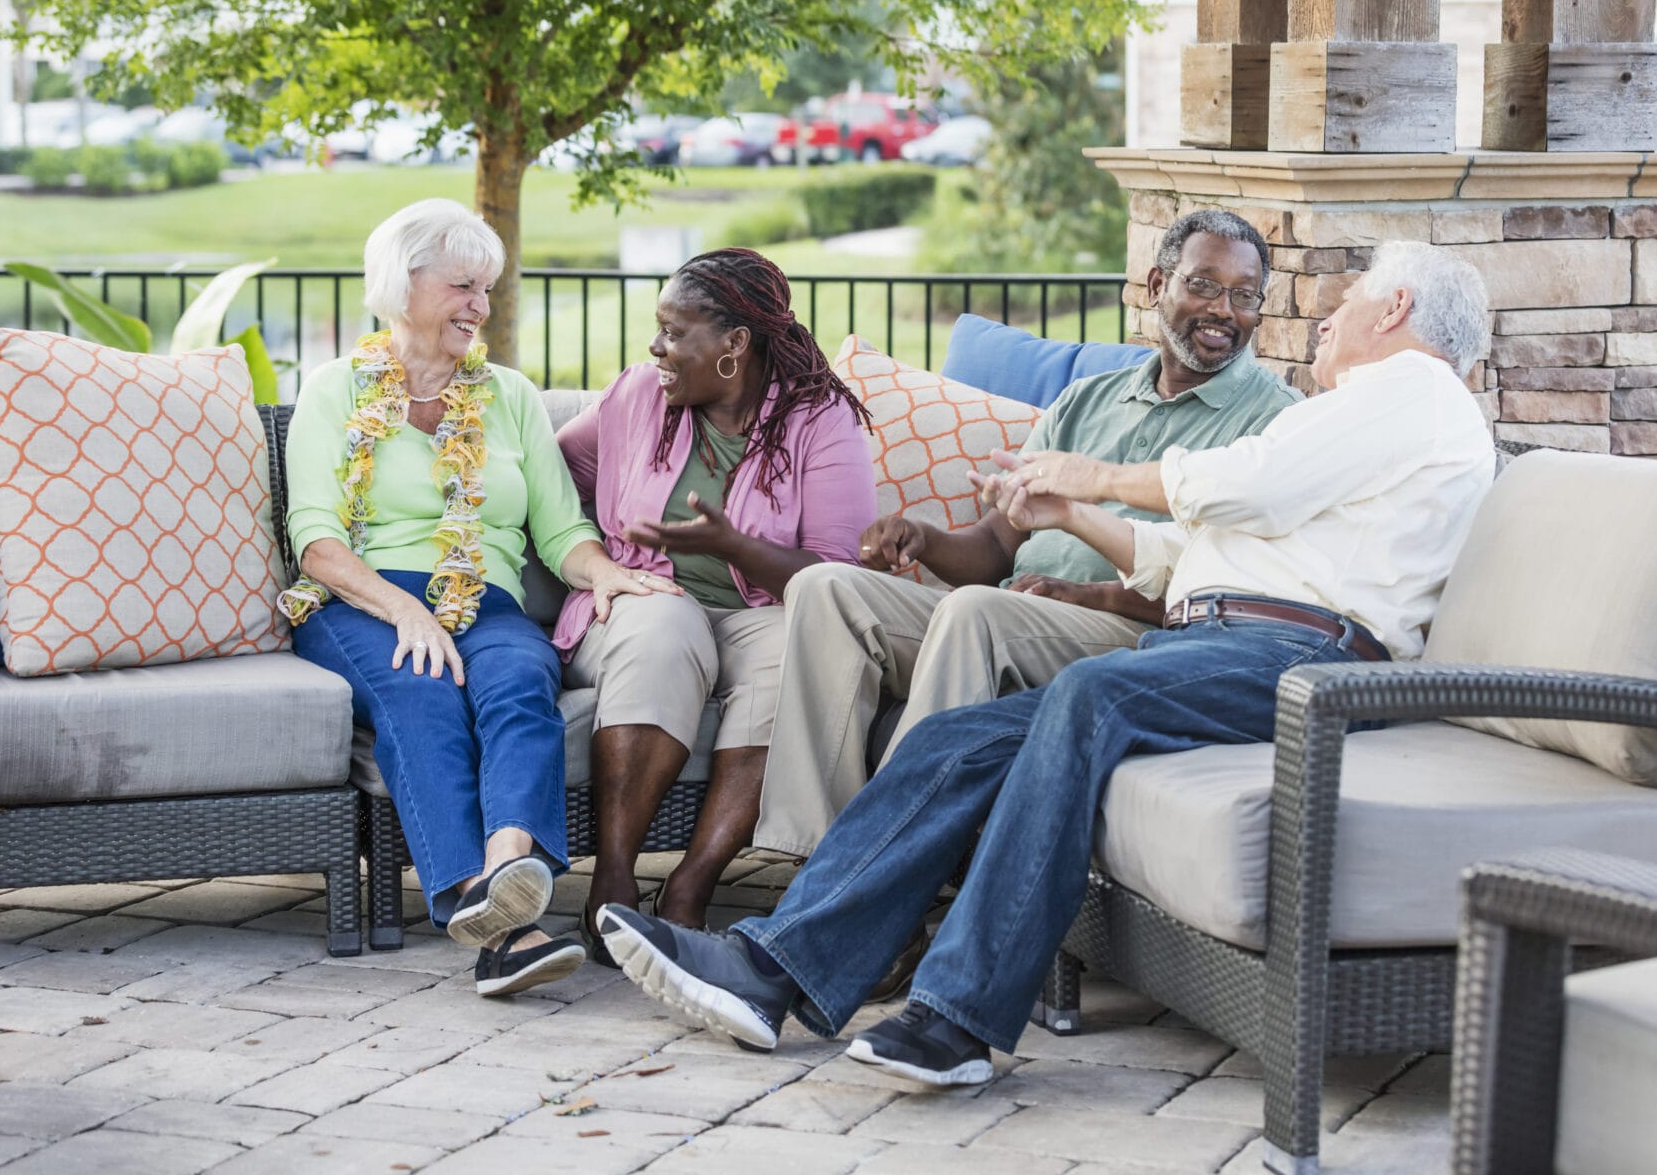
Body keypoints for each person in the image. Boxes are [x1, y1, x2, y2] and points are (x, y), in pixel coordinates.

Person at [597, 240, 1497, 1086]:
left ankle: (958, 1020)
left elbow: (1244, 484)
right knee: (959, 739)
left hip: (1309, 661)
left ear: (1399, 307)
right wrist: (1070, 514)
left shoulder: (1414, 388)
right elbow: (1193, 558)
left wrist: (1092, 475)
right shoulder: (1370, 431)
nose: (1325, 322)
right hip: (1228, 639)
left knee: (1089, 696)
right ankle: (774, 966)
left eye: (1343, 304)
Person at [755, 209, 1303, 865]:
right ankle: (809, 860)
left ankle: (887, 868)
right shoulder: (1087, 401)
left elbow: (1236, 592)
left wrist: (1095, 596)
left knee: (976, 612)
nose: (1223, 311)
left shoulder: (1275, 424)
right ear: (1157, 284)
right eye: (1205, 285)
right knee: (828, 590)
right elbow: (992, 550)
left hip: (1138, 637)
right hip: (1015, 611)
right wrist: (923, 539)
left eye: (1244, 296)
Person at [282, 198, 678, 997]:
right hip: (364, 597)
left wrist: (604, 573)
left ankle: (506, 871)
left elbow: (560, 530)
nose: (480, 306)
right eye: (463, 285)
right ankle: (501, 921)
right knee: (422, 692)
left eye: (488, 289)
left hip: (487, 598)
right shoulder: (335, 391)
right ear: (402, 284)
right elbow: (317, 541)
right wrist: (405, 610)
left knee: (520, 685)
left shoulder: (507, 395)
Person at [555, 248, 875, 956]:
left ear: (735, 344)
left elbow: (834, 579)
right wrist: (597, 561)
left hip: (761, 611)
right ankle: (613, 881)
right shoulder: (638, 395)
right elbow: (550, 480)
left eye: (675, 331)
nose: (656, 346)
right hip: (645, 598)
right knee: (665, 625)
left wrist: (734, 546)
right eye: (658, 327)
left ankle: (693, 887)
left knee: (799, 646)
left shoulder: (818, 420)